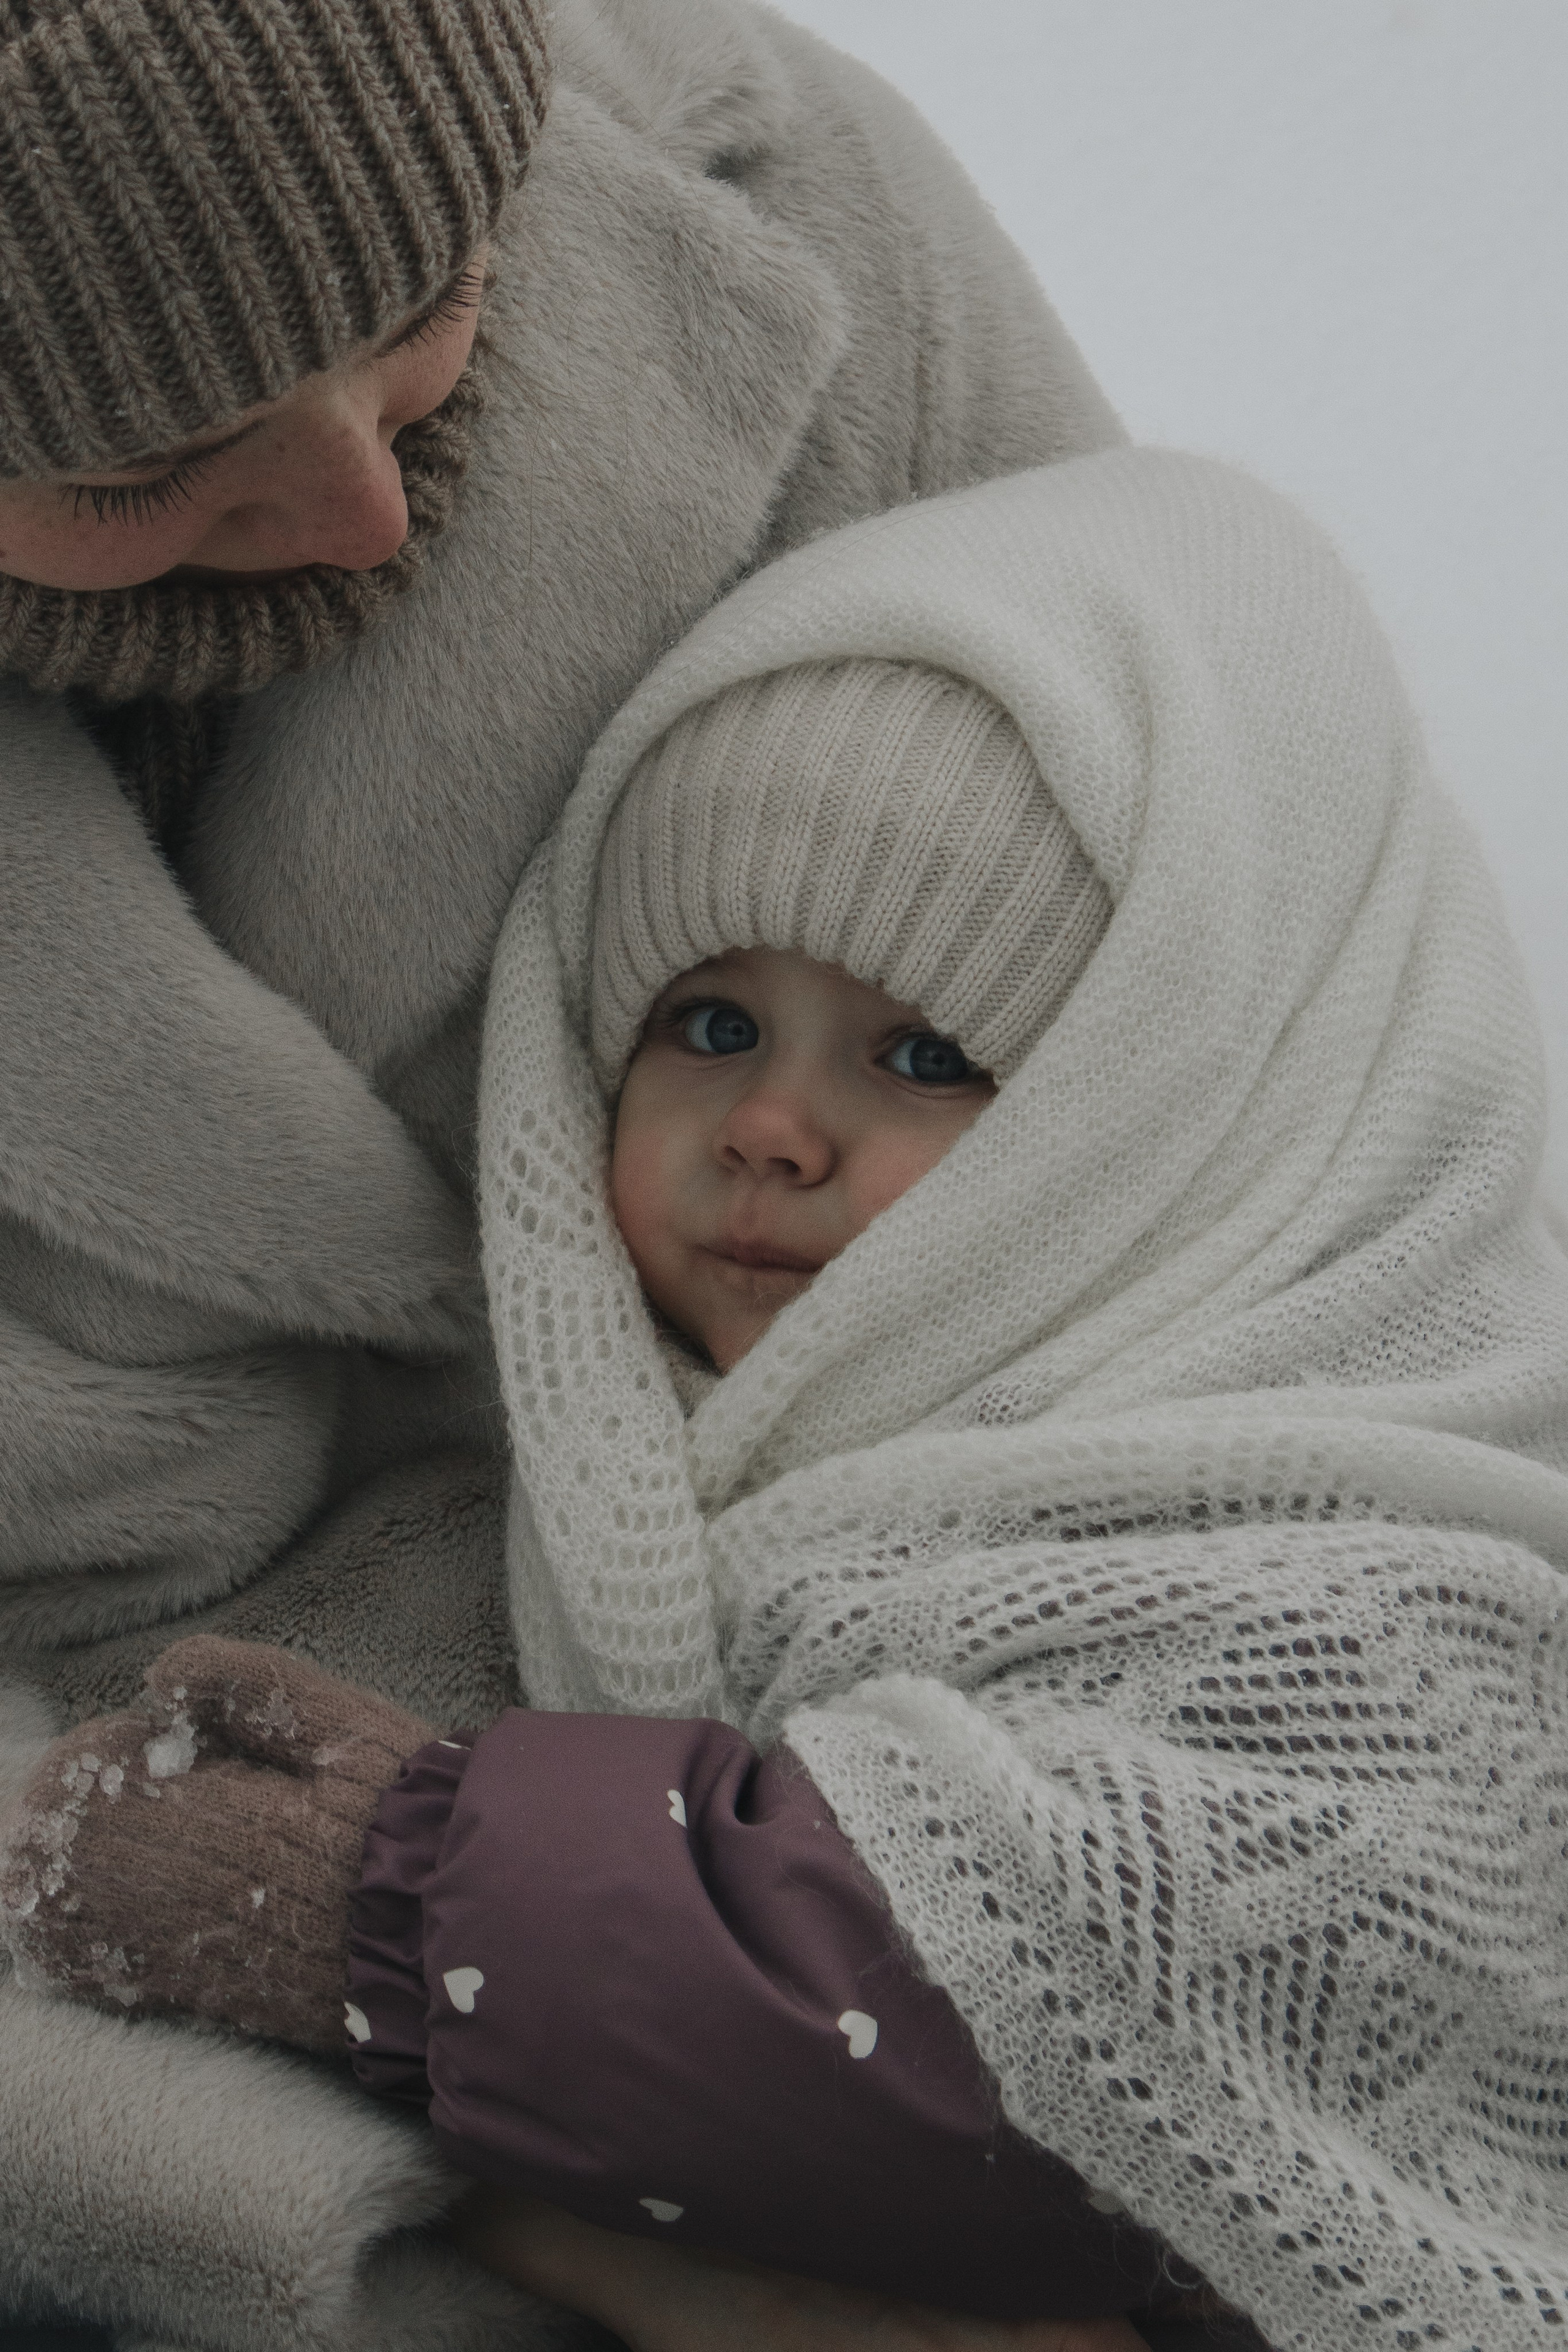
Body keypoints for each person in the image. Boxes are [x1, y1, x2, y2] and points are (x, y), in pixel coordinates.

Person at [11, 448, 1568, 2352]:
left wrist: (388, 1901)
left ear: (1162, 1129)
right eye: (709, 1024)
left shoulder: (1376, 1576)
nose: (768, 1127)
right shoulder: (650, 1506)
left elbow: (1021, 2015)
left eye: (926, 1054)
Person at [0, 0, 1125, 2335]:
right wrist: (421, 2239)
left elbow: (1214, 1008)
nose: (361, 509)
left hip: (854, 1666)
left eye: (426, 318)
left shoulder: (786, 205)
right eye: (145, 472)